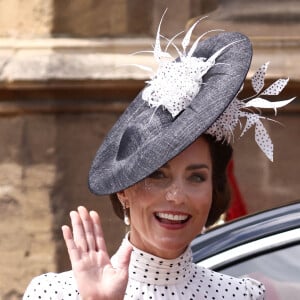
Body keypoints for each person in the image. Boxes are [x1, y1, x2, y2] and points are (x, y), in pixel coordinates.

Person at [23, 13, 294, 300]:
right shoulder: (53, 292)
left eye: (196, 177)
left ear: (213, 191)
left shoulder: (243, 296)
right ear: (125, 190)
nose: (177, 196)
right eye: (157, 174)